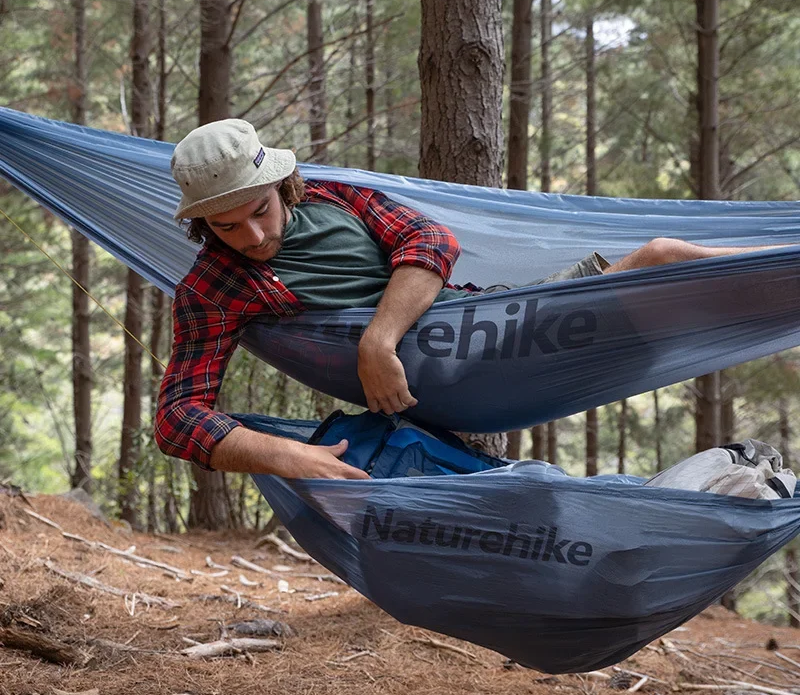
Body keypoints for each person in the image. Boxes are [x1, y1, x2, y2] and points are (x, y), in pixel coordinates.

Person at [155, 119, 787, 480]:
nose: (254, 237)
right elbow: (178, 416)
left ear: (281, 183)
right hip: (477, 358)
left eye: (259, 211)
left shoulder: (335, 198)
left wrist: (378, 339)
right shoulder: (213, 288)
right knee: (662, 263)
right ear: (202, 225)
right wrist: (289, 457)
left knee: (667, 267)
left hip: (501, 318)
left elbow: (430, 241)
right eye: (226, 227)